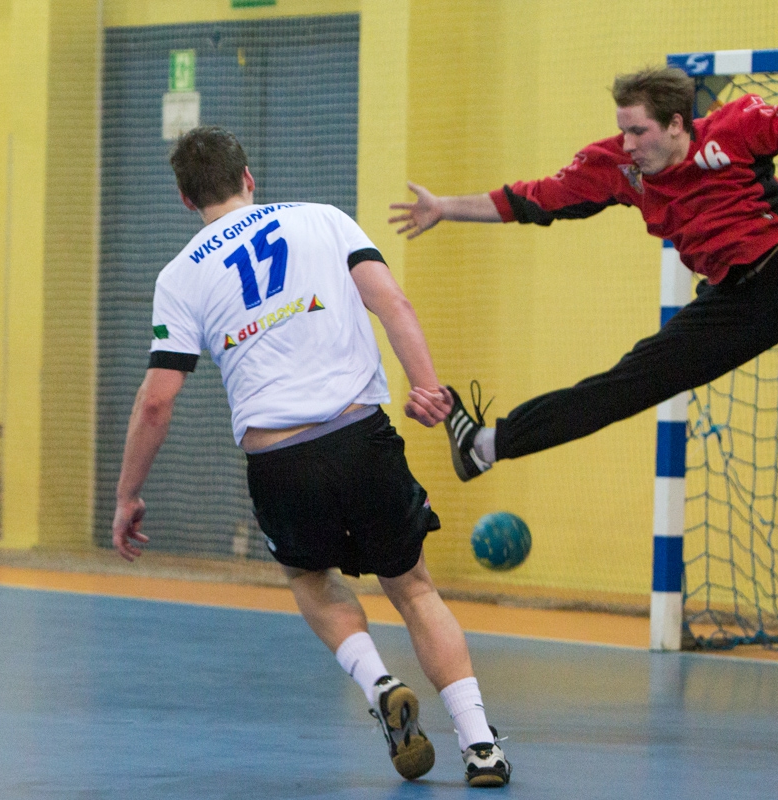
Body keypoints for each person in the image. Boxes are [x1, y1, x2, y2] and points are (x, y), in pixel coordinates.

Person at [390, 36, 778, 482]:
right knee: (629, 383)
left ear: (678, 124)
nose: (627, 144)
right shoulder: (617, 168)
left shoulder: (737, 127)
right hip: (733, 304)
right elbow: (531, 200)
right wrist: (445, 206)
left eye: (638, 131)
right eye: (621, 130)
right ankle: (487, 446)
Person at [111, 126, 512, 788]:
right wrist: (427, 386)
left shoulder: (180, 276)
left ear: (186, 200)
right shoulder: (323, 219)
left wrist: (128, 494)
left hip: (280, 460)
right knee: (411, 587)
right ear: (249, 178)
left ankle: (380, 683)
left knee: (308, 578)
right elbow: (393, 303)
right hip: (361, 435)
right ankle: (480, 746)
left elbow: (157, 402)